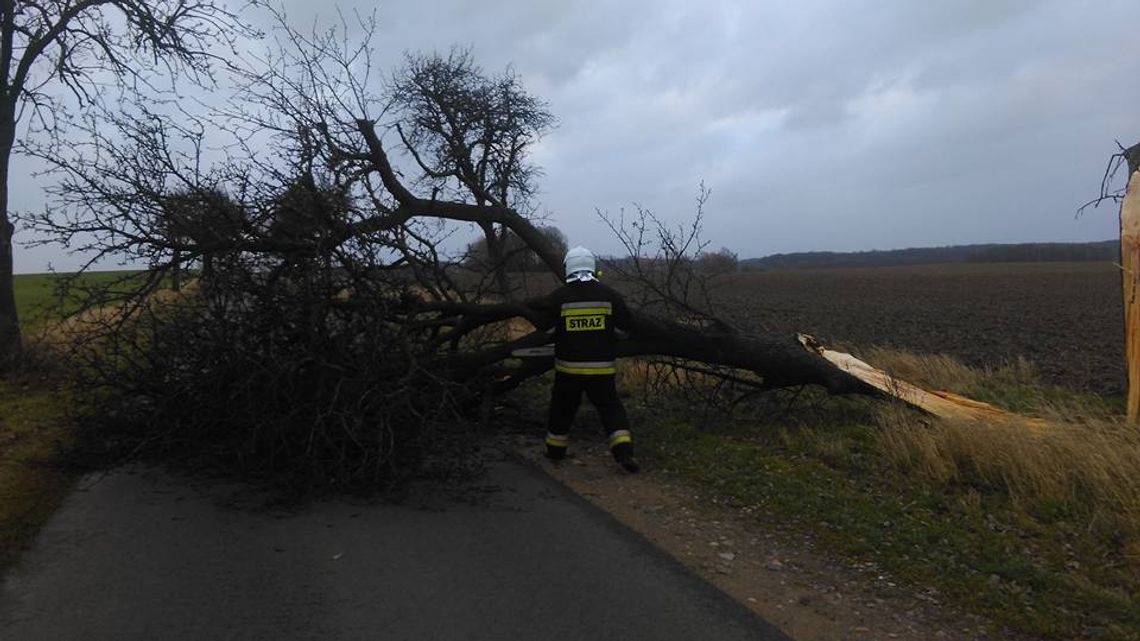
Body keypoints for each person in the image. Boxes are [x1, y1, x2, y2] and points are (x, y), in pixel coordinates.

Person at [538, 246, 639, 473]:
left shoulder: (559, 297)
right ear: (593, 267)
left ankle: (555, 450)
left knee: (562, 409)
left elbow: (544, 327)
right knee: (610, 408)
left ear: (568, 268)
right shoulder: (610, 296)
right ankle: (624, 452)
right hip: (602, 369)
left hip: (568, 370)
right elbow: (627, 326)